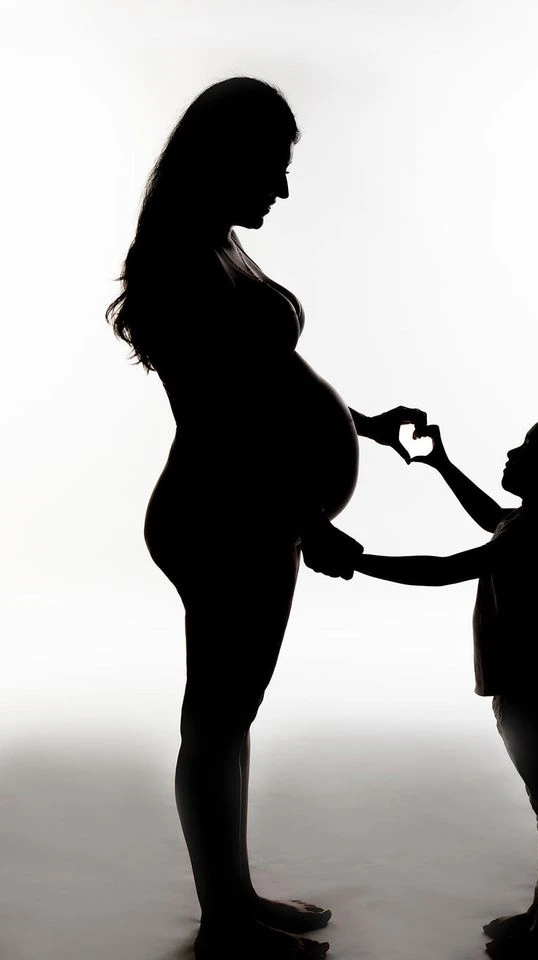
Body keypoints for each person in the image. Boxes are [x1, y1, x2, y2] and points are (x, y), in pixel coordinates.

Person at [106, 76, 426, 959]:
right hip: (226, 513)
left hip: (251, 512)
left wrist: (359, 424)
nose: (282, 188)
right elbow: (222, 421)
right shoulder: (181, 261)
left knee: (230, 715)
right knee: (216, 717)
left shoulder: (218, 246)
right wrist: (305, 519)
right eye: (271, 166)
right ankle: (225, 923)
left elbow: (264, 387)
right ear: (223, 160)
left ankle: (236, 898)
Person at [347, 412, 538, 960]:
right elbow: (491, 518)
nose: (512, 453)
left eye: (529, 449)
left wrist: (355, 560)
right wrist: (442, 464)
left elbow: (446, 569)